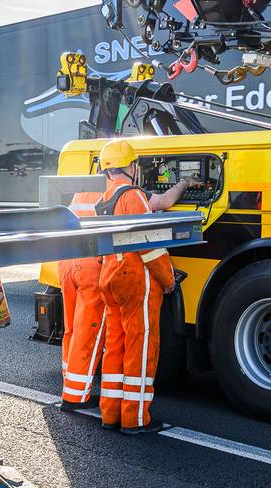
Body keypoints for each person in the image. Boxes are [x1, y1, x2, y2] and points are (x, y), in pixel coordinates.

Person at [58, 146, 195, 414]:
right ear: (132, 167)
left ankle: (72, 384)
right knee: (92, 329)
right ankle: (75, 396)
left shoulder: (87, 186)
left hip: (67, 259)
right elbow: (163, 203)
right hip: (93, 263)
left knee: (72, 327)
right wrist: (185, 183)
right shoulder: (125, 192)